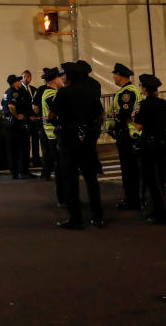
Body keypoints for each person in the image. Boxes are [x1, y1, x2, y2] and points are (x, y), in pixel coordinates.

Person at [51, 60, 106, 229]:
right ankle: (97, 217)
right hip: (88, 138)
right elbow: (100, 114)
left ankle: (76, 218)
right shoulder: (92, 91)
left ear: (69, 75)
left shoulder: (64, 93)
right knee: (91, 179)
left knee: (71, 179)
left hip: (69, 139)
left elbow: (52, 115)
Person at [133, 74, 166, 225]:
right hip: (164, 144)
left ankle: (160, 213)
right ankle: (159, 209)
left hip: (148, 145)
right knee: (162, 178)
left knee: (151, 180)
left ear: (144, 89)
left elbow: (138, 126)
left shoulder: (141, 105)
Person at [107, 62, 142, 211]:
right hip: (129, 134)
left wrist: (113, 127)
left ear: (120, 76)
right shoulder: (130, 91)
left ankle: (133, 200)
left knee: (129, 170)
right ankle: (136, 198)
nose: (114, 77)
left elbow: (124, 114)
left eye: (115, 74)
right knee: (132, 169)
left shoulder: (127, 93)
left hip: (127, 135)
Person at [36, 68, 65, 207]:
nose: (62, 80)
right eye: (60, 78)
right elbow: (58, 112)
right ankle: (62, 199)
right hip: (54, 134)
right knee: (59, 166)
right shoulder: (50, 94)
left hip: (51, 134)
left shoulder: (48, 92)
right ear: (54, 80)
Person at [1, 74, 34, 179]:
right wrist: (17, 116)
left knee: (12, 149)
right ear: (15, 83)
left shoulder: (7, 92)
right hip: (16, 124)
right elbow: (11, 106)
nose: (20, 82)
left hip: (9, 123)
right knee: (23, 147)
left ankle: (14, 172)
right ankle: (23, 171)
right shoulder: (13, 92)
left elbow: (3, 104)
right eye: (19, 81)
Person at [22, 70, 42, 167]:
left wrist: (37, 116)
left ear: (31, 78)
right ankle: (25, 162)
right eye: (24, 76)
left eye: (28, 77)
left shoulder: (34, 89)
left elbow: (36, 104)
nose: (26, 78)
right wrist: (29, 116)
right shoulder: (19, 89)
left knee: (35, 140)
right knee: (25, 142)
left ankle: (36, 160)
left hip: (35, 119)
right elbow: (21, 106)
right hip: (25, 119)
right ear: (22, 78)